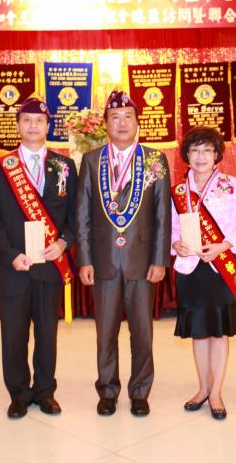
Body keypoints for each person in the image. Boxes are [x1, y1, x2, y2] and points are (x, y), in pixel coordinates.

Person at [75, 89, 171, 417]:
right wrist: (84, 259)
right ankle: (107, 390)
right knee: (105, 331)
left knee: (142, 331)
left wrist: (160, 260)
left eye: (128, 116)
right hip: (103, 261)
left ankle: (140, 391)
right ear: (106, 124)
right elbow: (82, 214)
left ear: (137, 122)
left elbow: (162, 214)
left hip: (142, 262)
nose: (122, 123)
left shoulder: (154, 160)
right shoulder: (92, 160)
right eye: (114, 117)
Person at [0, 96, 78, 419]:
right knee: (13, 335)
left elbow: (74, 216)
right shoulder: (0, 168)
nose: (33, 126)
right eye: (27, 120)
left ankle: (45, 391)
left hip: (50, 265)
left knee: (47, 335)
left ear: (48, 126)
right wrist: (11, 254)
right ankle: (18, 394)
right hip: (14, 267)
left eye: (39, 121)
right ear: (18, 126)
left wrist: (64, 243)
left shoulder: (65, 166)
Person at [171, 126, 236, 420]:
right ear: (187, 155)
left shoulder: (231, 185)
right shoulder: (179, 191)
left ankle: (216, 392)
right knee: (199, 331)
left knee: (218, 332)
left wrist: (222, 246)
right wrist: (175, 244)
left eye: (207, 150)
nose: (201, 156)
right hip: (191, 268)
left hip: (222, 266)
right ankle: (203, 388)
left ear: (217, 154)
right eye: (195, 150)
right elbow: (172, 228)